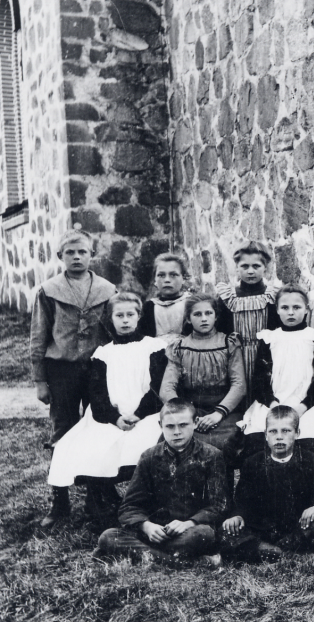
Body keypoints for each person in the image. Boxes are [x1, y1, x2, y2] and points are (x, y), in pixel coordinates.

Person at [47, 293, 168, 532]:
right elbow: (97, 393)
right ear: (110, 319)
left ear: (139, 316)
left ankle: (147, 504)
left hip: (147, 415)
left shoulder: (154, 347)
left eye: (130, 314)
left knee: (144, 444)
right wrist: (115, 418)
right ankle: (99, 502)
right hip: (110, 418)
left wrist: (138, 414)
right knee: (83, 444)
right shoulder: (103, 353)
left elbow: (158, 387)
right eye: (119, 315)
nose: (125, 320)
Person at [31, 229, 116, 528]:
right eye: (70, 252)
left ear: (92, 255)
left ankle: (98, 496)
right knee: (63, 430)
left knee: (99, 428)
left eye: (82, 252)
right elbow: (38, 336)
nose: (77, 257)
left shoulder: (107, 290)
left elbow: (113, 331)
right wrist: (40, 380)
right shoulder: (48, 290)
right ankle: (60, 502)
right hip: (61, 370)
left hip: (96, 370)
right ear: (60, 256)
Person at [95, 400, 225, 568]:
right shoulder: (149, 457)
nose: (177, 432)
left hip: (188, 532)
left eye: (183, 425)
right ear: (160, 425)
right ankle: (183, 561)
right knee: (108, 536)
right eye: (170, 426)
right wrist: (147, 526)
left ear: (195, 423)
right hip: (154, 534)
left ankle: (145, 555)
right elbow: (129, 506)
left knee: (204, 534)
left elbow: (219, 506)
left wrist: (189, 523)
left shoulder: (212, 456)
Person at [221, 406, 314, 571]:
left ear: (297, 433)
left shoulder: (313, 461)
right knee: (227, 531)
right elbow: (242, 501)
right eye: (273, 431)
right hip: (262, 531)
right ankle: (291, 557)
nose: (279, 437)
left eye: (286, 431)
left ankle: (270, 555)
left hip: (297, 530)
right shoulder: (252, 463)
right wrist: (237, 516)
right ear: (265, 435)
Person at [243, 285, 314, 457]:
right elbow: (260, 380)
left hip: (308, 404)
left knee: (308, 444)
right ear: (277, 310)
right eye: (285, 308)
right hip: (273, 403)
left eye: (297, 307)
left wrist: (301, 408)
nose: (291, 312)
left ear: (307, 309)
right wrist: (273, 405)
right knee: (258, 442)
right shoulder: (269, 338)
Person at [159, 293, 247, 468]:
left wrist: (218, 414)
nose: (204, 319)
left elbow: (239, 385)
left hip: (224, 411)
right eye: (197, 314)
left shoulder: (228, 343)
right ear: (188, 319)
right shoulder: (179, 347)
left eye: (208, 313)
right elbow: (166, 389)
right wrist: (186, 414)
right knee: (173, 444)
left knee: (222, 445)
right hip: (192, 410)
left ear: (216, 316)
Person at [214, 240, 280, 401]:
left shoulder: (273, 295)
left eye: (256, 266)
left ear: (265, 267)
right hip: (236, 356)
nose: (251, 271)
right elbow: (220, 328)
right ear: (237, 267)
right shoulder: (228, 296)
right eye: (245, 266)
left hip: (265, 355)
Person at [138, 253, 191, 342]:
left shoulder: (191, 304)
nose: (167, 280)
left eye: (173, 275)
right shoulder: (148, 307)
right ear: (155, 280)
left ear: (184, 278)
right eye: (161, 275)